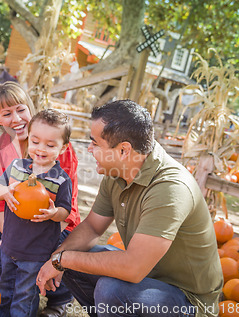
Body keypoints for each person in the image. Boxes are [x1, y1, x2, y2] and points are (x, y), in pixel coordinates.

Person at [36, 100, 223, 317]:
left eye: (95, 143)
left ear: (124, 150)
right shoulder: (117, 170)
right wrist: (57, 257)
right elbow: (93, 228)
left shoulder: (170, 189)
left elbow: (132, 269)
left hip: (188, 301)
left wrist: (63, 261)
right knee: (63, 246)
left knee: (110, 289)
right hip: (146, 279)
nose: (89, 149)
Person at [0, 81, 80, 316]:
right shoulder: (1, 146)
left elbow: (68, 210)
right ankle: (15, 279)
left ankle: (59, 295)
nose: (16, 118)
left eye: (20, 109)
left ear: (30, 109)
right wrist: (10, 238)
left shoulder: (56, 145)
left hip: (53, 224)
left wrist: (45, 249)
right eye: (7, 113)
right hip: (14, 222)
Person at [0, 109, 73, 316]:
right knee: (6, 292)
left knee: (24, 297)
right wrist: (6, 191)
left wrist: (54, 213)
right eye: (35, 142)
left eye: (50, 145)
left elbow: (65, 211)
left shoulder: (61, 179)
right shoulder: (17, 167)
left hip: (35, 252)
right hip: (9, 245)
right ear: (28, 139)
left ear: (62, 148)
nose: (40, 149)